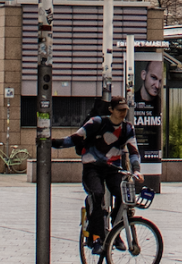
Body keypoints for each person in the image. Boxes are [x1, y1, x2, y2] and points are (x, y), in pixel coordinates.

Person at [55, 96, 142, 246]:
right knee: (98, 194)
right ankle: (97, 237)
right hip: (92, 168)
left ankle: (115, 231)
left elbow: (134, 151)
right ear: (111, 110)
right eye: (119, 110)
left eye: (125, 110)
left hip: (113, 169)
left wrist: (137, 170)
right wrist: (50, 142)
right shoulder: (96, 123)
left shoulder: (127, 128)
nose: (123, 113)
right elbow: (74, 139)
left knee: (123, 195)